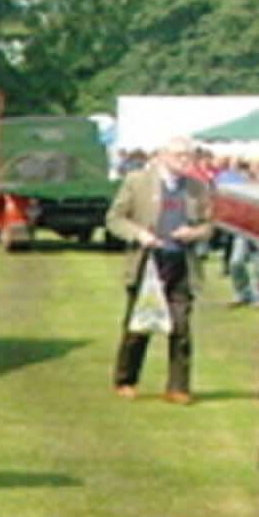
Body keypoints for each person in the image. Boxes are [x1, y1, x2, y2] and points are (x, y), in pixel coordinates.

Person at [105, 139, 216, 401]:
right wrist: (139, 234)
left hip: (180, 264)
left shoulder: (198, 188)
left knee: (181, 328)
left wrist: (194, 233)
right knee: (138, 326)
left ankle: (178, 387)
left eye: (189, 157)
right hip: (148, 263)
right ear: (163, 156)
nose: (185, 161)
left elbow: (209, 225)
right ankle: (126, 379)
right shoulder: (137, 181)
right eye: (179, 156)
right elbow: (114, 219)